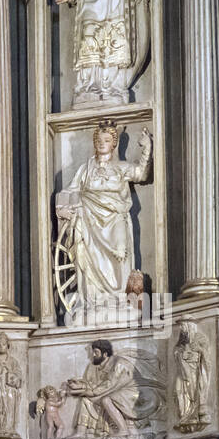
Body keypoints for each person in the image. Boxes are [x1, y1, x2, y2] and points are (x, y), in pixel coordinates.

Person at [58, 121, 152, 314]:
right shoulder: (86, 169)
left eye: (107, 140)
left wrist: (146, 149)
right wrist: (62, 208)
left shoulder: (121, 167)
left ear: (113, 144)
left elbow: (141, 173)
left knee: (120, 255)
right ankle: (94, 302)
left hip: (115, 219)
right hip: (89, 222)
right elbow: (70, 190)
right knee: (90, 260)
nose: (102, 143)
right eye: (99, 140)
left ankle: (121, 300)